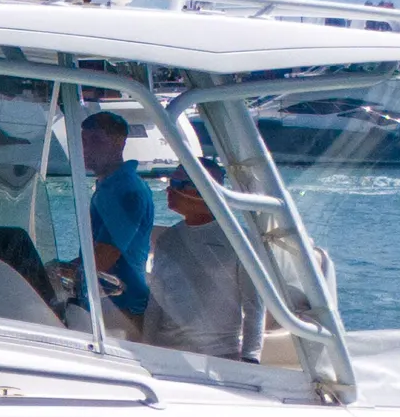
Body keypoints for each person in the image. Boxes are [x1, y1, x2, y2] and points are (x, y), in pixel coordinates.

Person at [140, 165, 261, 361]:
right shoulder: (167, 239)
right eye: (170, 183)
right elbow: (155, 302)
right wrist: (147, 349)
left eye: (178, 184)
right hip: (167, 353)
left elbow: (254, 305)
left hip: (219, 356)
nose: (169, 190)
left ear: (203, 189)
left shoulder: (241, 241)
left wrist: (250, 358)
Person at [72, 109, 153, 332]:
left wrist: (61, 271)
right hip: (105, 299)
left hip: (122, 306)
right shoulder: (110, 186)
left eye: (95, 140)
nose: (86, 148)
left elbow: (103, 258)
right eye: (83, 141)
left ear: (119, 142)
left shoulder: (127, 191)